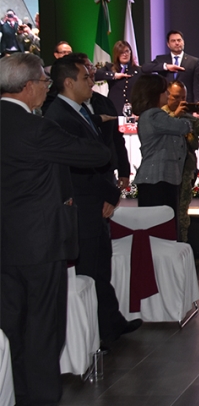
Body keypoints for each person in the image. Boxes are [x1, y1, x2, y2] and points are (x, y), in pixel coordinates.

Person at [1, 53, 111, 406]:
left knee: (9, 327)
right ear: (30, 86)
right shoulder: (36, 128)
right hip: (39, 245)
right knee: (43, 329)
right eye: (45, 85)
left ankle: (14, 393)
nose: (45, 91)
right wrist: (100, 124)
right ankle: (42, 398)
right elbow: (94, 155)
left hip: (3, 246)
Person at [44, 53, 142, 344]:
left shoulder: (80, 110)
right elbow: (81, 166)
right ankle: (99, 334)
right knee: (91, 268)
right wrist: (109, 192)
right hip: (84, 203)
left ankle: (110, 323)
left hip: (96, 201)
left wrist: (112, 190)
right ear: (68, 82)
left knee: (101, 266)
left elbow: (106, 151)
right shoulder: (59, 116)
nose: (92, 80)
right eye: (86, 77)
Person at [131, 74, 193, 219]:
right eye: (165, 91)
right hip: (157, 178)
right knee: (160, 227)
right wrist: (184, 120)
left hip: (160, 178)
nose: (167, 94)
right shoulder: (154, 115)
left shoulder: (150, 115)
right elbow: (183, 126)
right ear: (155, 94)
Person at [165, 80, 199, 242]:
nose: (181, 102)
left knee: (182, 214)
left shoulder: (190, 119)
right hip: (164, 171)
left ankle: (182, 245)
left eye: (184, 98)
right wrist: (175, 116)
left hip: (185, 170)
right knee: (164, 213)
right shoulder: (160, 115)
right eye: (176, 97)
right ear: (167, 96)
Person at [141, 30, 199, 107]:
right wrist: (165, 66)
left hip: (185, 104)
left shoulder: (193, 61)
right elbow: (145, 68)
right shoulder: (161, 59)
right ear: (168, 44)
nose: (177, 43)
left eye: (179, 40)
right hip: (165, 104)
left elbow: (197, 87)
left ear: (183, 42)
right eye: (173, 41)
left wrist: (196, 108)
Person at [94, 40, 142, 116]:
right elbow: (95, 74)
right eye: (121, 52)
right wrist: (114, 75)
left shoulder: (138, 70)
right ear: (117, 54)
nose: (125, 54)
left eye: (127, 51)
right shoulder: (109, 68)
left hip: (134, 111)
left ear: (131, 52)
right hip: (114, 109)